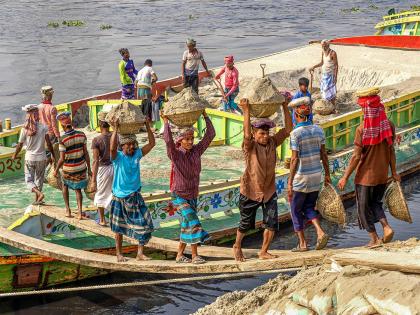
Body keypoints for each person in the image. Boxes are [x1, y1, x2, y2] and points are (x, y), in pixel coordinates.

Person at [233, 98, 293, 262]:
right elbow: (246, 134)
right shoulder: (250, 146)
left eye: (267, 133)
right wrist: (246, 111)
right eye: (262, 133)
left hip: (268, 191)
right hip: (250, 190)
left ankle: (264, 251)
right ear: (255, 134)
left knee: (271, 223)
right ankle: (237, 246)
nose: (265, 136)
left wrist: (284, 105)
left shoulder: (273, 142)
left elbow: (288, 129)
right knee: (245, 223)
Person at [338, 92, 397, 248]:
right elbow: (392, 151)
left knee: (363, 209)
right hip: (382, 176)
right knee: (376, 203)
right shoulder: (389, 125)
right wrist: (395, 172)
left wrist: (345, 176)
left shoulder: (362, 129)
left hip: (366, 177)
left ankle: (374, 238)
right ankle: (386, 227)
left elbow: (356, 157)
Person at [162, 110, 216, 264]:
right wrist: (166, 123)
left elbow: (210, 135)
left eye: (192, 138)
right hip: (178, 195)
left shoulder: (196, 152)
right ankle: (199, 245)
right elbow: (168, 142)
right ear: (180, 140)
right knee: (193, 221)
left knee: (187, 226)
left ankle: (181, 255)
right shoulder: (175, 154)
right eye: (187, 139)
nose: (191, 142)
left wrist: (205, 116)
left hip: (193, 194)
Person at [109, 120, 156, 262]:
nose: (130, 147)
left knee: (144, 223)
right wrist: (116, 129)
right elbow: (111, 149)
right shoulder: (118, 157)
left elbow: (152, 144)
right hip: (120, 197)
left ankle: (140, 253)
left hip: (135, 196)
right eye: (127, 145)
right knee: (118, 229)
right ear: (121, 146)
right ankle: (119, 254)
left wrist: (147, 126)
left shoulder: (137, 154)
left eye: (132, 144)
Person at [287, 97, 330, 251]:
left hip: (301, 177)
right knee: (309, 207)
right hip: (316, 176)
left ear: (297, 113)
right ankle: (320, 231)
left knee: (295, 209)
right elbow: (324, 155)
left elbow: (294, 160)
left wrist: (290, 182)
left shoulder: (295, 134)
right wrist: (327, 174)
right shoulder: (319, 130)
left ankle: (303, 244)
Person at [12, 104, 55, 205]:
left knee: (29, 180)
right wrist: (53, 154)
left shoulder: (24, 129)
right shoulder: (43, 127)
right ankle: (38, 200)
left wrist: (14, 155)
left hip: (30, 158)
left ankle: (38, 195)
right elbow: (48, 143)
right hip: (42, 158)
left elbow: (19, 145)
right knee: (39, 180)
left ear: (28, 115)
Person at [54, 112, 91, 219]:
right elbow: (86, 153)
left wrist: (56, 169)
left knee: (65, 186)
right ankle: (79, 212)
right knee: (78, 189)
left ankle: (68, 210)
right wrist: (89, 168)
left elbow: (61, 159)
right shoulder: (81, 134)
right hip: (81, 167)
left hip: (69, 169)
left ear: (62, 125)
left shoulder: (63, 139)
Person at [91, 112, 113, 226]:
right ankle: (115, 217)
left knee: (100, 194)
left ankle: (102, 220)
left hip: (103, 169)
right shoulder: (115, 136)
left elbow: (95, 161)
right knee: (114, 193)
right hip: (115, 167)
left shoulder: (96, 140)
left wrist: (93, 180)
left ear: (100, 125)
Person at [310, 40, 338, 110]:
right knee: (324, 92)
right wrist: (314, 66)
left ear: (328, 45)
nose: (324, 47)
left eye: (325, 46)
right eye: (322, 46)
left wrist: (335, 77)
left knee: (331, 93)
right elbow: (322, 62)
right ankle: (328, 107)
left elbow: (336, 66)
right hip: (324, 75)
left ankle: (333, 108)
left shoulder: (333, 53)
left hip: (330, 75)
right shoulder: (323, 52)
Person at [38, 86, 60, 160]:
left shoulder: (38, 107)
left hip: (41, 134)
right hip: (51, 135)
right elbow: (54, 125)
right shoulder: (52, 108)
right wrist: (58, 136)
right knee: (54, 154)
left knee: (45, 154)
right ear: (50, 95)